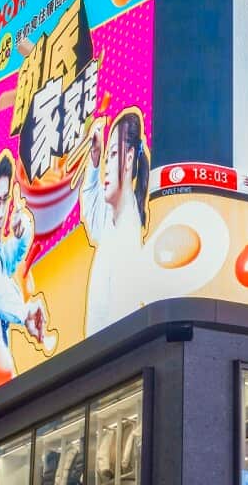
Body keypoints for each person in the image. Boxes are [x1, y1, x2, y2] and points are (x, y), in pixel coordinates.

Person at [0, 156, 48, 399]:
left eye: (6, 201)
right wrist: (24, 313)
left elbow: (16, 251)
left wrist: (22, 224)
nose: (2, 213)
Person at [82, 110, 150, 336]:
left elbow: (121, 331)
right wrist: (95, 157)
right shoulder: (114, 217)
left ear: (129, 158)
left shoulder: (127, 239)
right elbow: (91, 207)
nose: (106, 166)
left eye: (112, 154)